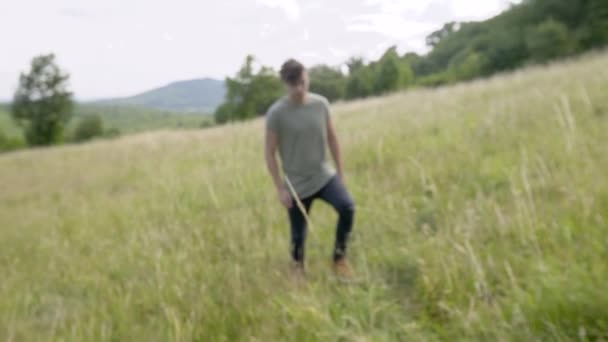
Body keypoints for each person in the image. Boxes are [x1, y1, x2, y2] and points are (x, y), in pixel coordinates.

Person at [264, 59, 356, 279]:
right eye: (294, 84)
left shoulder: (320, 104)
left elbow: (332, 138)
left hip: (323, 175)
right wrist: (280, 188)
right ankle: (297, 271)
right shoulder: (277, 113)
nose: (299, 88)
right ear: (285, 84)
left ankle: (339, 259)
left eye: (303, 82)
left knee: (348, 208)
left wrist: (340, 173)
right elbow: (269, 153)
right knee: (298, 235)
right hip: (296, 184)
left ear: (307, 78)